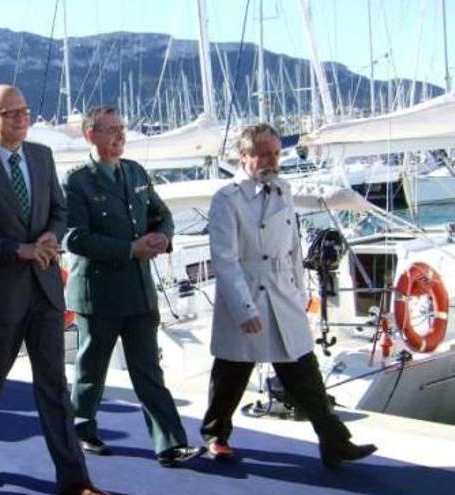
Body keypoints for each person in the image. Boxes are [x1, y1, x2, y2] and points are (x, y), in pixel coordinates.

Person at [200, 123, 377, 467]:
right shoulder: (227, 199)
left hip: (281, 292)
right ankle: (215, 434)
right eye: (263, 153)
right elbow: (225, 259)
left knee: (302, 368)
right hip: (247, 289)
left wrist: (299, 292)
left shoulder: (283, 189)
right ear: (244, 155)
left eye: (276, 153)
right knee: (232, 369)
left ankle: (334, 440)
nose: (271, 160)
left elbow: (294, 248)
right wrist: (243, 308)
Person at [0, 85, 105, 495]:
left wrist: (48, 239)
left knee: (54, 385)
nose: (22, 118)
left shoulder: (41, 156)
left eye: (25, 110)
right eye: (12, 113)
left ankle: (75, 479)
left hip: (44, 289)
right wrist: (16, 250)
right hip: (1, 293)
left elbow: (59, 209)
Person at [63, 106, 200, 467]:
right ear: (90, 135)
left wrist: (162, 237)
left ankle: (170, 444)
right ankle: (80, 426)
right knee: (92, 368)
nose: (120, 136)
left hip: (139, 290)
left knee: (148, 369)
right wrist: (129, 249)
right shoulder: (76, 181)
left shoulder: (135, 172)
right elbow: (74, 238)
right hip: (99, 291)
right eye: (111, 130)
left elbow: (161, 214)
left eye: (122, 128)